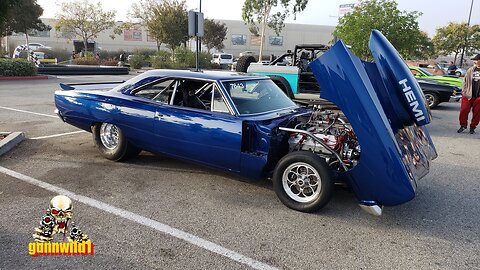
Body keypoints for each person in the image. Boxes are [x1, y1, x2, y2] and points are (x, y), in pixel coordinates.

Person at [457, 54, 480, 134]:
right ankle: (463, 125)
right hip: (468, 94)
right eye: (474, 60)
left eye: (476, 60)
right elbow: (465, 81)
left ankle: (473, 127)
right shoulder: (471, 70)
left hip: (478, 97)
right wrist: (464, 91)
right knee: (463, 110)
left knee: (477, 113)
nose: (475, 61)